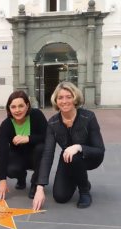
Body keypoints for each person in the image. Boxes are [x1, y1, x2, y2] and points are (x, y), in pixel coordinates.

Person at [33, 82, 105, 211]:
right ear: (56, 101)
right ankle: (80, 179)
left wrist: (79, 147)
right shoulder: (53, 122)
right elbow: (48, 154)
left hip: (90, 156)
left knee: (76, 155)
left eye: (68, 96)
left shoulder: (88, 117)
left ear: (75, 98)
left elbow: (100, 150)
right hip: (68, 158)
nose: (64, 101)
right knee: (60, 197)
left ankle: (84, 191)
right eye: (60, 98)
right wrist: (40, 187)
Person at [0, 91, 47, 200]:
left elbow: (47, 136)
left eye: (21, 106)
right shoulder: (6, 125)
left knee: (41, 148)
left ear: (27, 105)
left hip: (35, 156)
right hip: (19, 156)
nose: (17, 110)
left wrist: (28, 138)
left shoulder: (36, 115)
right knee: (11, 169)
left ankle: (35, 183)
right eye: (13, 107)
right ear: (9, 108)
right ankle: (21, 177)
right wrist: (2, 180)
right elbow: (3, 153)